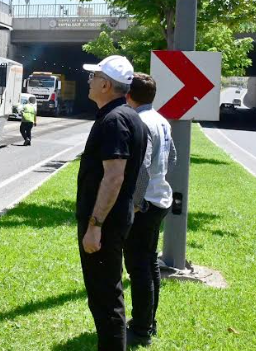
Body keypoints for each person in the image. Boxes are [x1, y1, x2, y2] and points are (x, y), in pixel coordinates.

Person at [77, 55, 147, 351]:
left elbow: (115, 177)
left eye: (93, 77)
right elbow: (137, 173)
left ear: (106, 84)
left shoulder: (115, 120)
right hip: (113, 220)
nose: (89, 81)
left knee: (106, 299)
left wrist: (95, 226)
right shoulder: (129, 115)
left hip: (104, 224)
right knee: (105, 296)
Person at [124, 73, 175, 347]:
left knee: (138, 269)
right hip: (160, 199)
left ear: (127, 95)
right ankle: (149, 322)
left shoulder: (140, 122)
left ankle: (141, 329)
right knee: (150, 263)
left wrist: (133, 205)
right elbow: (172, 158)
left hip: (144, 205)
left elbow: (141, 168)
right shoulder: (162, 120)